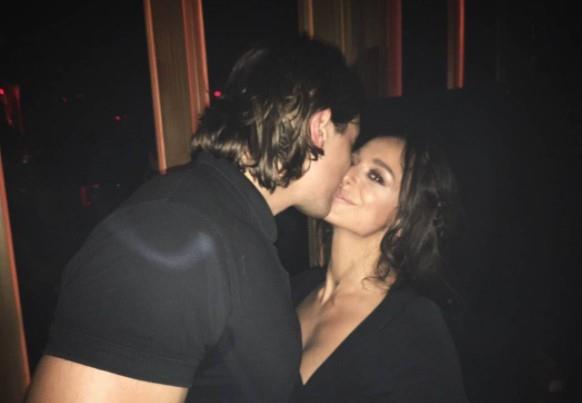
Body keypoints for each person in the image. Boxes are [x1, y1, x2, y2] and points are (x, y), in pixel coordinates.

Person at [26, 36, 364, 403]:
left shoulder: (232, 227)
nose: (350, 167)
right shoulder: (171, 233)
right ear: (320, 128)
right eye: (352, 144)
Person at [292, 133, 468, 402]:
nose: (347, 175)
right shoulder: (293, 288)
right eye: (351, 162)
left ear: (404, 219)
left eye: (375, 176)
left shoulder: (413, 324)